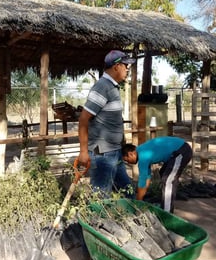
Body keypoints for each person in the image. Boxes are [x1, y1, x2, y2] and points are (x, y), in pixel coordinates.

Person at [77, 50, 136, 198]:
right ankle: (97, 220)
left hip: (114, 151)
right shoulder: (102, 87)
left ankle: (132, 218)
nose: (128, 69)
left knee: (127, 192)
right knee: (101, 196)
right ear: (116, 67)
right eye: (126, 66)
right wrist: (84, 152)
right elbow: (83, 119)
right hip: (101, 152)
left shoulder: (113, 87)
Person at [122, 136, 192, 213]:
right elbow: (146, 179)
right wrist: (141, 197)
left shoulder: (143, 157)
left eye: (126, 160)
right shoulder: (142, 152)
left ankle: (166, 213)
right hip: (178, 150)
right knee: (163, 173)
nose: (128, 162)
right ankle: (166, 203)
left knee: (168, 180)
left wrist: (138, 204)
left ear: (131, 154)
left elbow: (142, 183)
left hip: (181, 151)